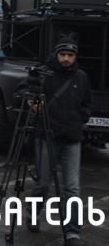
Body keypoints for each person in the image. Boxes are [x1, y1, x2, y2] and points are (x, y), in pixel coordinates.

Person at [23, 34, 91, 246]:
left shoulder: (81, 78)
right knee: (43, 183)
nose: (66, 59)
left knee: (72, 187)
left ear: (75, 56)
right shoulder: (46, 75)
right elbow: (25, 91)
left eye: (70, 55)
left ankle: (73, 232)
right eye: (63, 54)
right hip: (47, 136)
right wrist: (31, 103)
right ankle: (33, 213)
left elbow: (87, 103)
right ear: (57, 54)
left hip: (72, 138)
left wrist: (81, 118)